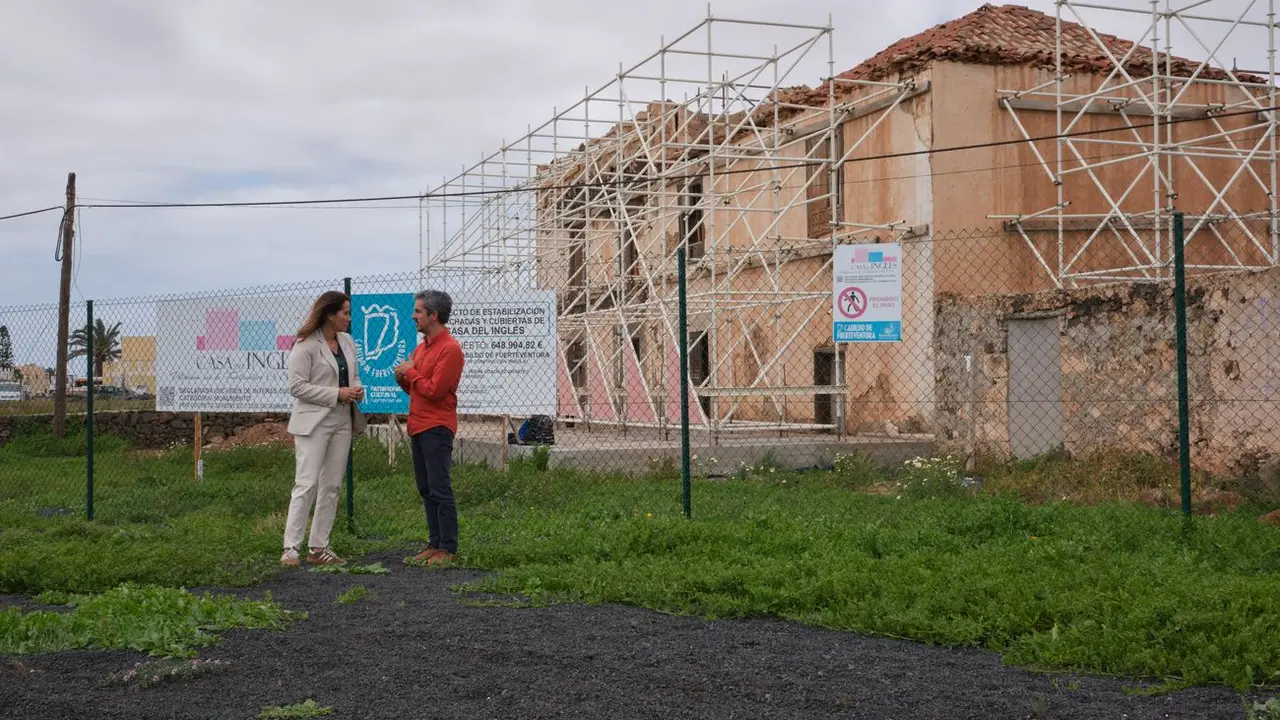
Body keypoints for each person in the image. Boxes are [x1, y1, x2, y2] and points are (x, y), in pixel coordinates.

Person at [281, 290, 366, 567]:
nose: (348, 319)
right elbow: (297, 387)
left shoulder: (348, 342)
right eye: (345, 313)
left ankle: (319, 548)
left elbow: (352, 375)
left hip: (342, 419)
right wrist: (337, 393)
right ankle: (291, 548)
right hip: (314, 421)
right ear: (330, 314)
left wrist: (356, 389)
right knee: (306, 483)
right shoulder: (305, 344)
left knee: (331, 485)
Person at [395, 289, 465, 566]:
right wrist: (401, 376)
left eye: (418, 311)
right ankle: (434, 543)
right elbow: (416, 389)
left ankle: (448, 548)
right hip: (418, 425)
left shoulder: (450, 349)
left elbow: (435, 391)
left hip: (437, 426)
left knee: (439, 487)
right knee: (425, 488)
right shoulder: (422, 347)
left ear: (433, 316)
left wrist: (410, 372)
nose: (413, 316)